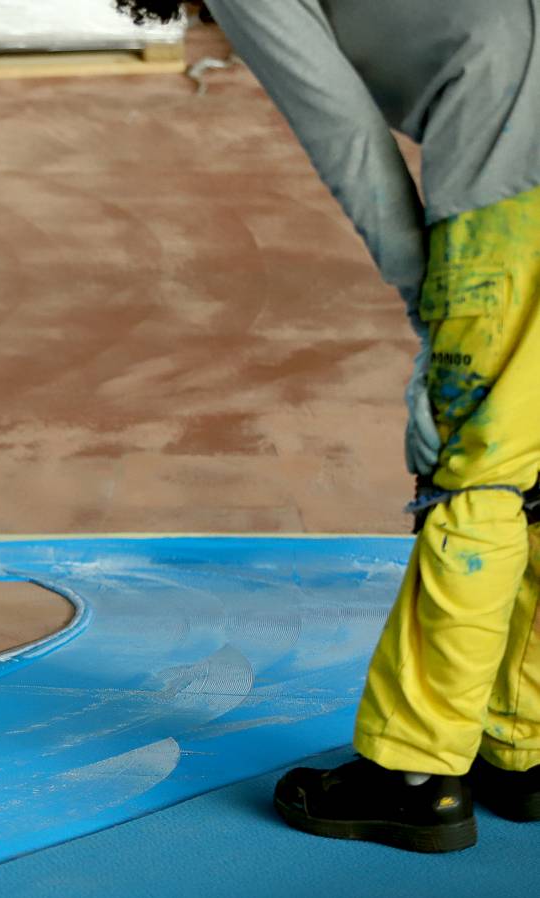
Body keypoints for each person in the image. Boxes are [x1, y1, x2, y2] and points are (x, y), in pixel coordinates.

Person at [117, 0, 540, 852]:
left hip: (512, 199)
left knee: (479, 478)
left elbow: (345, 133)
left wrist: (432, 302)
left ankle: (414, 774)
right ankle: (521, 744)